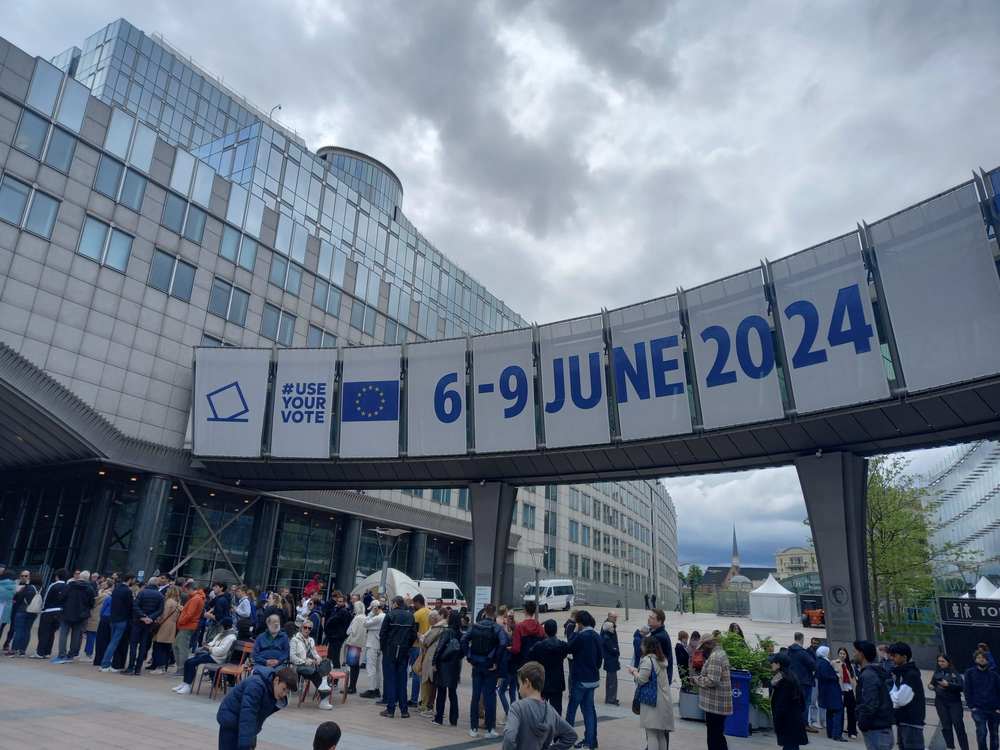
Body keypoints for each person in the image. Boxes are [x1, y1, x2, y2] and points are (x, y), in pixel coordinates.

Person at [216, 665, 297, 749]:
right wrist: (246, 743)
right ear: (276, 680)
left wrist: (251, 736)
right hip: (231, 721)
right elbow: (248, 714)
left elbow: (257, 716)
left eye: (287, 692)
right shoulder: (256, 686)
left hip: (244, 725)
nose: (284, 694)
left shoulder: (273, 692)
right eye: (283, 689)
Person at [503, 661, 577, 750]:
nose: (518, 690)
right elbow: (571, 735)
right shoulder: (550, 711)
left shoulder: (517, 708)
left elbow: (509, 738)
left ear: (527, 683)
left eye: (520, 684)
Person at [461, 602, 508, 739]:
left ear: (484, 613)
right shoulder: (496, 628)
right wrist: (496, 660)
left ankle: (473, 728)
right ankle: (490, 728)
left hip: (477, 663)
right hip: (490, 665)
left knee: (475, 696)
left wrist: (469, 656)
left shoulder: (475, 626)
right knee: (490, 697)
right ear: (494, 613)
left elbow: (463, 639)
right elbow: (504, 643)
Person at [628, 636, 675, 750]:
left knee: (651, 734)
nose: (641, 646)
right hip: (664, 700)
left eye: (642, 644)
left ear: (647, 647)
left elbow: (641, 680)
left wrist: (633, 671)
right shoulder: (662, 660)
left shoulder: (648, 660)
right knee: (661, 735)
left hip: (652, 702)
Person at [566, 610, 603, 750]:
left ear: (580, 623)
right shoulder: (596, 636)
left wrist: (575, 632)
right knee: (589, 710)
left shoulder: (581, 636)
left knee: (572, 710)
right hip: (593, 678)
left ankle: (567, 740)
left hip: (580, 678)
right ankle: (590, 742)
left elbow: (569, 647)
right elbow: (600, 658)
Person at [173, 616, 237, 694]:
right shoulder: (222, 634)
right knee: (188, 661)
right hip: (211, 655)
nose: (220, 627)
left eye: (221, 626)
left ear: (226, 627)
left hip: (217, 659)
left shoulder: (231, 637)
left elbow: (221, 651)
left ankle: (187, 686)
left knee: (191, 663)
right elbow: (213, 643)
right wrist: (207, 645)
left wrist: (209, 648)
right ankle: (185, 683)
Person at [379, 595, 418, 718]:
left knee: (390, 680)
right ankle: (404, 710)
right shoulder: (410, 616)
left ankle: (390, 709)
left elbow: (382, 634)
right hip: (404, 651)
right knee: (402, 680)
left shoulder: (390, 615)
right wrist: (407, 646)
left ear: (395, 603)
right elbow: (413, 635)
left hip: (390, 650)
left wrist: (384, 649)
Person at [853, 640, 895, 750]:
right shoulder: (871, 672)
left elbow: (870, 703)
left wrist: (862, 722)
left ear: (861, 654)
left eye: (855, 651)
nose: (854, 654)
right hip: (878, 729)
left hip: (877, 731)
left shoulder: (868, 675)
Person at [693, 638, 732, 750]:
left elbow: (712, 681)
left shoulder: (715, 657)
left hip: (715, 705)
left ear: (708, 645)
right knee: (718, 735)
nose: (702, 651)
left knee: (714, 737)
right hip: (719, 704)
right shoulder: (721, 653)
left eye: (703, 648)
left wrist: (697, 680)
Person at [290, 618, 334, 710]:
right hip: (298, 666)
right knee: (316, 673)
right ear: (301, 628)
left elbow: (315, 653)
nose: (307, 630)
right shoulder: (295, 640)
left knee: (326, 664)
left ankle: (324, 696)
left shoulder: (311, 640)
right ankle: (324, 699)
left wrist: (318, 659)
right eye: (305, 627)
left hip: (311, 665)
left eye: (309, 628)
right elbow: (292, 657)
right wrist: (305, 661)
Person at [528, 619, 570, 715]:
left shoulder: (539, 646)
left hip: (542, 681)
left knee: (540, 710)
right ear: (556, 631)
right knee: (557, 709)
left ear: (545, 631)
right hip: (557, 681)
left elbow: (530, 657)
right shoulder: (562, 645)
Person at [888, 642, 925, 750]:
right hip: (902, 721)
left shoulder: (911, 674)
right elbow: (894, 694)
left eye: (895, 655)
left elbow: (900, 700)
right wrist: (893, 696)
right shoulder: (900, 673)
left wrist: (892, 696)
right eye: (891, 655)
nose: (892, 658)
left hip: (911, 723)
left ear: (904, 657)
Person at [768, 653, 808, 750]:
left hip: (788, 720)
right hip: (793, 719)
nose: (771, 664)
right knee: (791, 746)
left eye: (773, 662)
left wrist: (778, 719)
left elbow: (781, 703)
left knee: (790, 746)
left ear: (778, 664)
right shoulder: (790, 675)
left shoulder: (784, 679)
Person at [53, 569, 94, 663]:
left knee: (63, 634)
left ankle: (61, 654)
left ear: (80, 577)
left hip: (67, 612)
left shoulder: (69, 585)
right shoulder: (89, 588)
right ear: (88, 578)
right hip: (81, 614)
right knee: (76, 635)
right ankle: (71, 655)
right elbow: (91, 603)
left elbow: (61, 598)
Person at [432, 611, 464, 727]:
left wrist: (434, 661)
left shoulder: (447, 632)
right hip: (455, 665)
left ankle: (439, 718)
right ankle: (454, 719)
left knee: (441, 692)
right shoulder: (461, 634)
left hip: (444, 664)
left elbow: (439, 647)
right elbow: (463, 651)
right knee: (452, 693)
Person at [930, 653, 969, 750]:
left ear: (948, 662)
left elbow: (961, 687)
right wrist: (930, 686)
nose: (940, 663)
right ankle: (950, 746)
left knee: (958, 726)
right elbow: (932, 683)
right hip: (940, 702)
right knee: (946, 726)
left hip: (954, 702)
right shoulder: (937, 672)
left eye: (943, 661)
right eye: (939, 661)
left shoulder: (954, 672)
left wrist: (948, 685)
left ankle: (964, 747)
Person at [126, 576, 164, 675]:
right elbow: (160, 610)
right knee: (143, 645)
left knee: (133, 644)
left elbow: (135, 606)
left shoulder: (142, 592)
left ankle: (131, 667)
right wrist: (150, 618)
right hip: (149, 623)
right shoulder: (160, 595)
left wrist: (143, 616)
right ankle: (138, 669)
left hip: (138, 621)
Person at [964, 649, 1000, 750]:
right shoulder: (969, 673)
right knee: (982, 733)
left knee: (994, 734)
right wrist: (972, 706)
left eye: (984, 658)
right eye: (979, 657)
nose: (981, 659)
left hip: (994, 710)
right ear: (975, 660)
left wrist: (999, 708)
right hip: (978, 709)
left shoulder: (994, 675)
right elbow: (967, 690)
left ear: (988, 660)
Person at [99, 573, 134, 671]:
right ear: (130, 579)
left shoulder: (116, 589)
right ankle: (105, 664)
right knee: (114, 642)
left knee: (112, 641)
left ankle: (106, 663)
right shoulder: (127, 591)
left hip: (113, 618)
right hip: (122, 619)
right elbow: (130, 606)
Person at [33, 568, 68, 659]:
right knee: (52, 632)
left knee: (43, 632)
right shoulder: (67, 586)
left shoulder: (53, 585)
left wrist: (43, 609)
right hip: (60, 611)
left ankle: (40, 652)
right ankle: (47, 652)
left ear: (57, 576)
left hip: (49, 611)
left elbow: (46, 598)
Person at [787, 632, 818, 733]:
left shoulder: (789, 651)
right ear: (802, 639)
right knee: (805, 703)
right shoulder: (802, 652)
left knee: (793, 703)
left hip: (792, 680)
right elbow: (813, 665)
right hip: (804, 682)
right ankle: (804, 724)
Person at [417, 608, 446, 715]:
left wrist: (420, 637)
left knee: (427, 681)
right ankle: (428, 705)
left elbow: (426, 641)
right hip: (435, 657)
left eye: (429, 618)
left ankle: (427, 706)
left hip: (430, 657)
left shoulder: (436, 628)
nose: (428, 620)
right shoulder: (443, 627)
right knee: (432, 683)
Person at [816, 645, 846, 741]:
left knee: (830, 711)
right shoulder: (824, 663)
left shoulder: (819, 661)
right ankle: (837, 734)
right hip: (831, 690)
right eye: (828, 652)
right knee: (838, 710)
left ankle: (830, 733)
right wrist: (836, 676)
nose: (829, 653)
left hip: (826, 690)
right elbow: (826, 676)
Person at [175, 584, 205, 674]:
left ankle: (182, 669)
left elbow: (190, 614)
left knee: (182, 647)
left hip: (187, 625)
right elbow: (190, 613)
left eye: (186, 590)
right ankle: (181, 668)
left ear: (189, 589)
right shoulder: (197, 598)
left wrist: (181, 621)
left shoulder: (195, 599)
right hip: (188, 625)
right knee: (178, 646)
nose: (185, 593)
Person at [151, 585, 181, 673]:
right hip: (172, 626)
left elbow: (164, 615)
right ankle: (164, 666)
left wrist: (157, 621)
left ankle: (160, 667)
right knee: (166, 647)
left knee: (159, 645)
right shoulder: (177, 603)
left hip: (165, 625)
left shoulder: (169, 602)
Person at [9, 571, 40, 657]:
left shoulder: (27, 587)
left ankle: (14, 650)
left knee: (19, 630)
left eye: (28, 576)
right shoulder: (40, 588)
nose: (26, 578)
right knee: (27, 631)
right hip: (33, 612)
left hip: (22, 610)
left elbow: (19, 599)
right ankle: (22, 650)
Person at [360, 602, 385, 698]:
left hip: (372, 644)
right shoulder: (384, 616)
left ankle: (371, 689)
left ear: (375, 608)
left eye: (372, 609)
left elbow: (365, 623)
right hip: (379, 645)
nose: (371, 611)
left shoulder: (377, 617)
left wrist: (371, 614)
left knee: (371, 668)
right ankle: (377, 689)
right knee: (378, 669)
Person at [343, 600, 367, 694]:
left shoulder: (357, 618)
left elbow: (349, 631)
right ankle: (353, 686)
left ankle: (351, 687)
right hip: (360, 644)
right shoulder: (365, 617)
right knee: (356, 667)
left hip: (353, 643)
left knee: (352, 666)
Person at [325, 592, 353, 669]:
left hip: (337, 636)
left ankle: (336, 670)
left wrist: (341, 635)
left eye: (340, 601)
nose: (338, 603)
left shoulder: (343, 611)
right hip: (333, 636)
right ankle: (331, 670)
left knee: (335, 655)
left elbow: (335, 622)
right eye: (338, 601)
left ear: (344, 602)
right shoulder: (336, 609)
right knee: (331, 654)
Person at [837, 646, 859, 739]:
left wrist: (855, 691)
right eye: (840, 653)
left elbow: (853, 678)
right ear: (838, 654)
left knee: (851, 712)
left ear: (846, 655)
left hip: (849, 690)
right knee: (840, 712)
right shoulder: (835, 663)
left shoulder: (850, 665)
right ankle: (839, 730)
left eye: (844, 653)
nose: (842, 655)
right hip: (840, 690)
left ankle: (852, 731)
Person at [648, 608, 674, 683]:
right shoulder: (660, 633)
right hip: (661, 677)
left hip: (659, 679)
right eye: (649, 617)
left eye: (652, 618)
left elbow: (643, 652)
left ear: (660, 621)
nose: (649, 619)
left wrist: (639, 635)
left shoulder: (658, 637)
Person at [85, 579, 110, 658]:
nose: (102, 584)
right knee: (92, 635)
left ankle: (89, 653)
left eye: (104, 584)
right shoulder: (104, 593)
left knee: (91, 635)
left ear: (107, 586)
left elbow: (93, 602)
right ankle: (88, 652)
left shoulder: (104, 595)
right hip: (97, 617)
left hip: (95, 617)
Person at [601, 612, 621, 705]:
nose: (615, 618)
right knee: (612, 680)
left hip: (611, 659)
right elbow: (609, 646)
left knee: (612, 679)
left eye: (616, 617)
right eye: (614, 617)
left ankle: (611, 698)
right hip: (610, 659)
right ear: (609, 617)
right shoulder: (607, 629)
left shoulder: (609, 626)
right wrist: (616, 650)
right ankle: (610, 699)